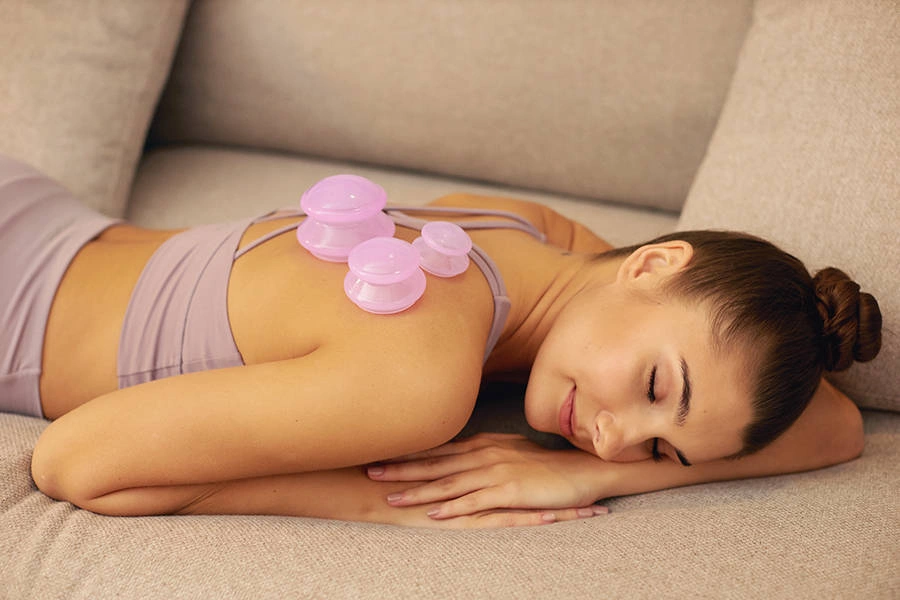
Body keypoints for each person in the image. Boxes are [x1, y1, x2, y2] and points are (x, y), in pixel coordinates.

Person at [2, 154, 881, 528]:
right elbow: (73, 464)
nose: (616, 437)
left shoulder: (531, 235)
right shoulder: (420, 384)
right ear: (653, 263)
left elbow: (836, 425)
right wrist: (376, 503)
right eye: (655, 388)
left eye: (661, 451)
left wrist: (596, 474)